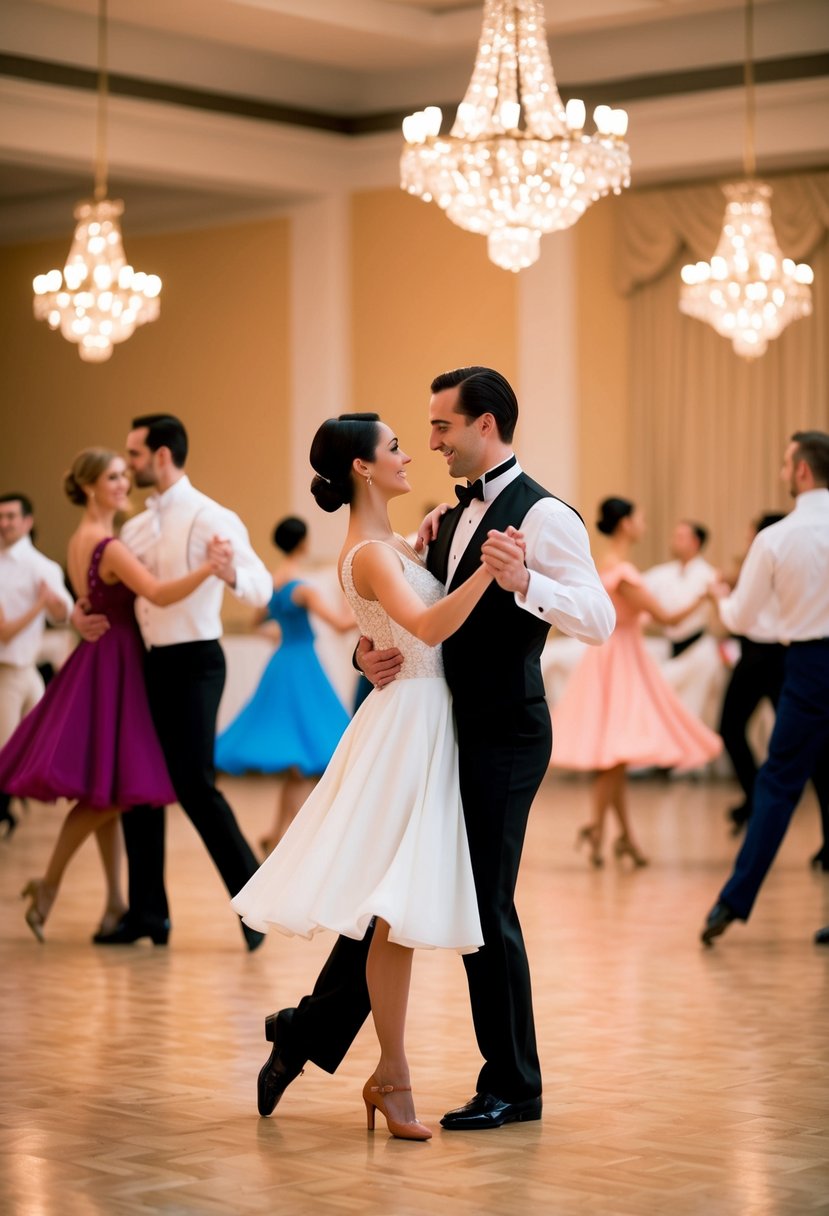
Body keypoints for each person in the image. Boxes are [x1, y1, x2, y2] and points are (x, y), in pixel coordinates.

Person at [254, 367, 615, 1133]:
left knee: (479, 903)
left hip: (506, 732)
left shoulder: (545, 516)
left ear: (484, 425)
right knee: (396, 895)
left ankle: (514, 1085)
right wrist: (364, 655)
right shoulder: (442, 520)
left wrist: (524, 583)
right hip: (436, 727)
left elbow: (598, 618)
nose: (430, 441)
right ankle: (311, 1030)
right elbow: (405, 616)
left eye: (441, 426)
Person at [233, 412, 495, 1140]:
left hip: (418, 716)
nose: (409, 455)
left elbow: (391, 618)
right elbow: (431, 628)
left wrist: (427, 553)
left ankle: (374, 1066)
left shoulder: (386, 546)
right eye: (394, 448)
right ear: (362, 468)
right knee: (395, 912)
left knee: (395, 913)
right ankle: (391, 1073)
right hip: (410, 724)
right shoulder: (371, 553)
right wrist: (485, 571)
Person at [0, 450, 222, 941]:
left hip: (102, 659)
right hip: (118, 662)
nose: (124, 484)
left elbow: (81, 602)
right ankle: (50, 884)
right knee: (108, 794)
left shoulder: (80, 540)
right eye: (113, 478)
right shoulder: (109, 544)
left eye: (125, 475)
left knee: (107, 789)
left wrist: (77, 615)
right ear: (90, 487)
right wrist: (209, 568)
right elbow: (160, 594)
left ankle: (115, 900)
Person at [73, 415, 273, 951]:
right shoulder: (135, 527)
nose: (129, 463)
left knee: (194, 786)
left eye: (134, 454)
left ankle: (254, 905)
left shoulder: (213, 516)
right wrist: (78, 612)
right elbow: (112, 588)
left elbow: (260, 587)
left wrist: (228, 571)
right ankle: (147, 915)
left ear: (161, 456)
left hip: (197, 663)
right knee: (141, 785)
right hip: (147, 663)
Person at [701, 431, 829, 947]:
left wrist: (719, 599)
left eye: (784, 464)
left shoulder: (777, 538)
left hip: (808, 668)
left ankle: (732, 901)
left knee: (778, 786)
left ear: (800, 471)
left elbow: (742, 616)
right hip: (806, 665)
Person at [550, 497, 722, 867]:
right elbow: (669, 618)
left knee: (616, 756)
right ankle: (602, 831)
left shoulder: (604, 565)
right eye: (640, 516)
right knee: (615, 755)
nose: (644, 522)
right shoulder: (623, 573)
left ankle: (615, 835)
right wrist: (704, 597)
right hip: (621, 660)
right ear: (626, 524)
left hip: (610, 657)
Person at [215, 515, 354, 853]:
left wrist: (278, 632)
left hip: (282, 664)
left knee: (299, 761)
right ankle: (293, 840)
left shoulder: (273, 582)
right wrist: (366, 603)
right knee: (305, 760)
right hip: (302, 667)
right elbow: (338, 625)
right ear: (303, 543)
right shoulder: (302, 588)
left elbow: (256, 622)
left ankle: (276, 835)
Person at [0, 493, 73, 836]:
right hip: (6, 673)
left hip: (27, 671)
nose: (5, 523)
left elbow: (63, 614)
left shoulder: (45, 567)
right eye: (1, 516)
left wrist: (52, 605)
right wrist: (39, 605)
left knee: (39, 746)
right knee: (7, 751)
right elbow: (4, 634)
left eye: (11, 516)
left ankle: (13, 807)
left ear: (27, 521)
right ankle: (5, 813)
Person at [717, 512, 786, 835]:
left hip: (759, 655)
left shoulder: (762, 559)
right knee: (806, 743)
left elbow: (739, 617)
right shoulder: (791, 560)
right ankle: (754, 801)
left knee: (730, 728)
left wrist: (721, 599)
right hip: (788, 655)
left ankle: (756, 801)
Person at [643, 519, 724, 743]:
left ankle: (688, 762)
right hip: (673, 648)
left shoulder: (709, 576)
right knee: (661, 699)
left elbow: (676, 620)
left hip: (698, 649)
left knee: (692, 707)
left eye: (680, 537)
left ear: (695, 542)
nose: (673, 542)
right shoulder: (663, 573)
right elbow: (642, 593)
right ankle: (659, 753)